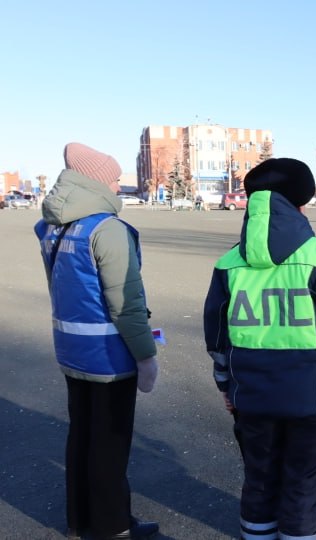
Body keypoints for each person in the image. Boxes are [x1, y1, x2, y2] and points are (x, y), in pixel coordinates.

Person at [203, 158, 316, 540]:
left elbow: (217, 337)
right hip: (313, 399)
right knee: (303, 485)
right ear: (301, 205)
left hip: (249, 396)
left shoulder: (229, 263)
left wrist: (224, 384)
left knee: (259, 480)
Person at [34, 142, 159, 540]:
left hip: (70, 349)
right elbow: (126, 304)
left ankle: (80, 520)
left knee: (82, 435)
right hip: (109, 356)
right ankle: (113, 527)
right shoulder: (109, 230)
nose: (119, 183)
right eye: (114, 177)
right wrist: (146, 357)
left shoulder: (52, 226)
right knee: (110, 443)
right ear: (97, 182)